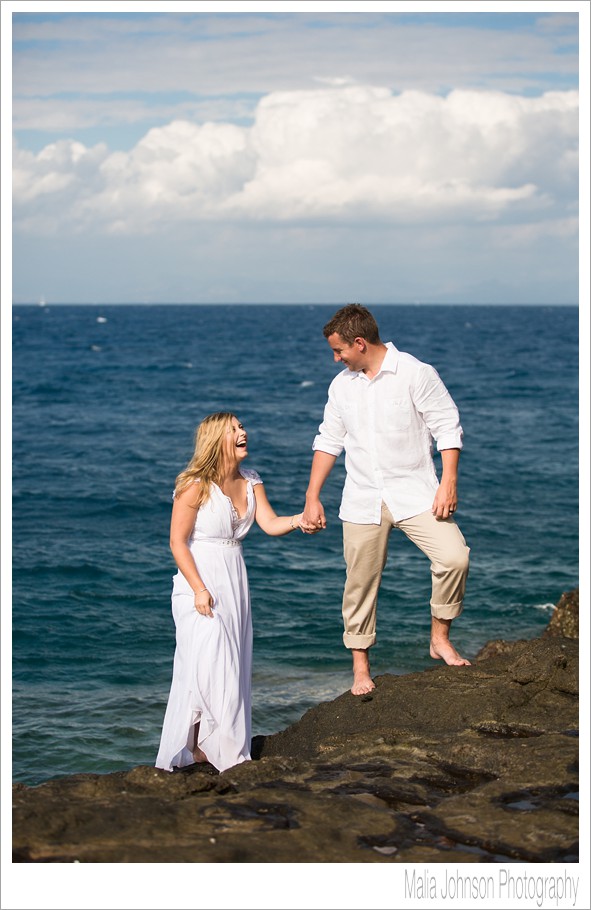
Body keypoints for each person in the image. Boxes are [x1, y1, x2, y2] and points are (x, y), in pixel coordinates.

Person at [301, 304, 471, 696]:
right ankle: (361, 668)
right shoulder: (342, 386)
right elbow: (328, 441)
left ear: (359, 343)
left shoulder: (416, 373)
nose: (335, 358)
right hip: (361, 498)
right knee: (359, 583)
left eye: (339, 350)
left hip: (416, 493)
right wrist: (312, 496)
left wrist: (449, 483)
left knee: (454, 557)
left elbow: (447, 427)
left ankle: (439, 639)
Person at [156, 412, 304, 774]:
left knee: (230, 666)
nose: (244, 432)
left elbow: (269, 523)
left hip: (234, 579)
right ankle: (200, 749)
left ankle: (204, 749)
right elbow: (177, 542)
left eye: (242, 426)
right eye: (234, 429)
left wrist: (300, 520)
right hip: (199, 583)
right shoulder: (195, 484)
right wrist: (199, 589)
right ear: (216, 440)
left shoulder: (251, 480)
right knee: (206, 666)